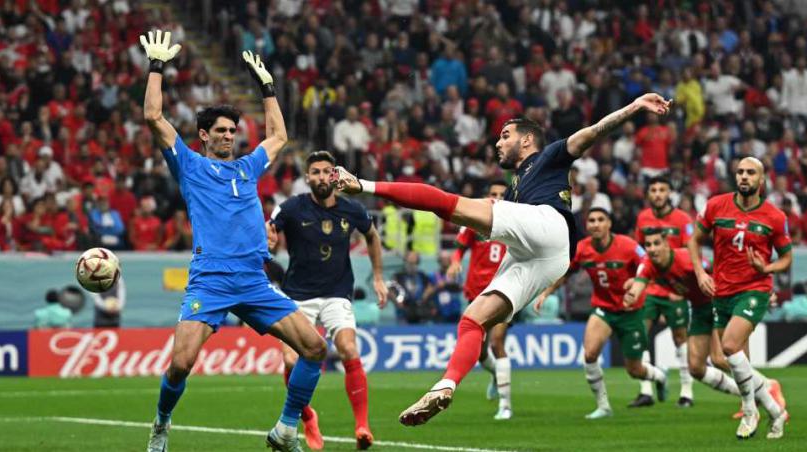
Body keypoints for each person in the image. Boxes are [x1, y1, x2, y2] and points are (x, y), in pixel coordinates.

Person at [332, 93, 673, 426]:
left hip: (550, 226)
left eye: (505, 136)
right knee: (473, 320)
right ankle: (446, 385)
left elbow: (594, 132)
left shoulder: (550, 155)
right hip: (543, 257)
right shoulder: (514, 188)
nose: (497, 143)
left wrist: (634, 107)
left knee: (449, 204)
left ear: (527, 140)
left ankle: (364, 184)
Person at [141, 30, 326, 452]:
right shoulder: (188, 165)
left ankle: (284, 429)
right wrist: (156, 67)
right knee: (180, 365)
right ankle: (161, 423)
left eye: (233, 130)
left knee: (314, 348)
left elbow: (277, 137)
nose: (230, 135)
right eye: (221, 130)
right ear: (203, 135)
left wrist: (268, 89)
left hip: (253, 280)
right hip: (210, 279)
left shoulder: (248, 166)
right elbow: (154, 117)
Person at [267, 150, 388, 450]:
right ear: (307, 178)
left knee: (348, 348)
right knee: (291, 360)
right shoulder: (293, 208)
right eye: (316, 172)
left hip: (337, 293)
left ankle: (362, 425)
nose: (322, 177)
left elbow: (372, 236)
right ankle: (307, 416)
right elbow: (269, 228)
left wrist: (377, 277)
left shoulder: (352, 209)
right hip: (297, 296)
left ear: (335, 176)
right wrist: (268, 239)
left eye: (327, 172)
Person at [688, 157, 790, 439]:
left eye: (751, 173)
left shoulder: (774, 216)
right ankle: (773, 405)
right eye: (740, 172)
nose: (744, 176)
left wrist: (766, 268)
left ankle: (749, 410)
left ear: (762, 180)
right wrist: (700, 273)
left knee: (730, 347)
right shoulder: (716, 206)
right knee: (724, 357)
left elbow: (787, 258)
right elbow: (694, 240)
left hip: (755, 289)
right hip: (722, 290)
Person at [534, 208, 668, 419]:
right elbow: (566, 272)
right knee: (589, 354)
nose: (595, 224)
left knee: (634, 370)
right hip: (603, 308)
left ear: (609, 224)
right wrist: (547, 292)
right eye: (591, 220)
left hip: (631, 311)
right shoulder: (582, 248)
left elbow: (647, 262)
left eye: (600, 220)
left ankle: (659, 376)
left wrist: (637, 281)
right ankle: (603, 406)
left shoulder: (628, 245)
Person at [624, 229, 745, 404]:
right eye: (648, 245)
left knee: (719, 359)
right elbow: (638, 286)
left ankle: (762, 389)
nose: (651, 249)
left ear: (667, 244)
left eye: (656, 243)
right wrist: (630, 296)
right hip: (698, 309)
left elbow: (717, 269)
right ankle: (754, 392)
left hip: (719, 303)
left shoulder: (686, 259)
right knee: (696, 368)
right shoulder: (648, 264)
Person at [445, 180, 513, 420]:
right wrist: (454, 262)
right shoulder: (477, 218)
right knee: (480, 352)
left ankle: (505, 405)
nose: (497, 197)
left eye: (502, 194)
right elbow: (460, 247)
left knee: (497, 342)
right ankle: (496, 374)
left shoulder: (517, 220)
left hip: (505, 290)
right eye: (493, 193)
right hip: (476, 292)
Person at [631, 176, 695, 408]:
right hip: (649, 287)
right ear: (649, 193)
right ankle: (646, 389)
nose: (657, 194)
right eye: (653, 190)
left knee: (680, 337)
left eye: (662, 190)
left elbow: (691, 251)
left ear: (669, 193)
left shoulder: (682, 219)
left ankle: (686, 391)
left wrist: (685, 287)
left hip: (674, 288)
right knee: (641, 334)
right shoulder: (643, 218)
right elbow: (640, 251)